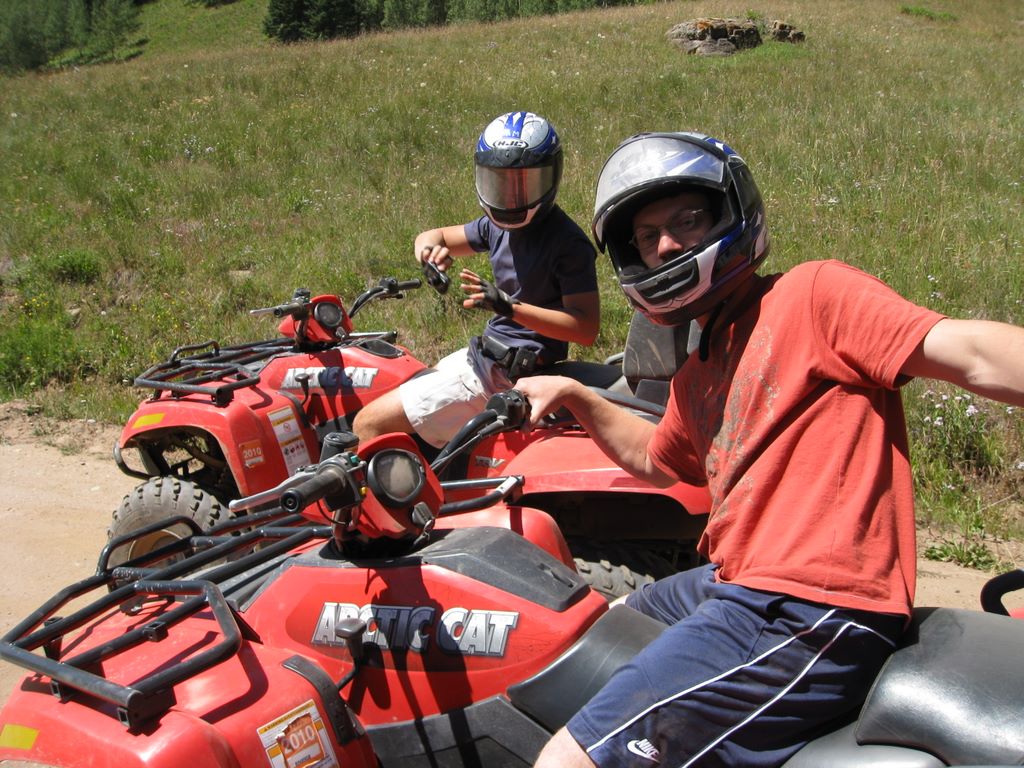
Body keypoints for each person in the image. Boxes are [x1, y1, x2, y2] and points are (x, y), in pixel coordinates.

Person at [516, 131, 1024, 767]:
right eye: (647, 236)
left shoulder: (812, 296)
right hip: (736, 582)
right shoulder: (698, 370)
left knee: (567, 760)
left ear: (730, 213)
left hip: (807, 604)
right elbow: (655, 459)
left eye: (686, 220)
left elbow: (971, 354)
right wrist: (573, 394)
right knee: (609, 620)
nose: (667, 245)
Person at [352, 110, 599, 449]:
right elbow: (433, 235)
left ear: (551, 177)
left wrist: (510, 307)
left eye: (524, 184)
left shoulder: (568, 244)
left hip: (504, 375)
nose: (511, 197)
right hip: (485, 357)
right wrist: (429, 255)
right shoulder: (494, 226)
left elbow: (585, 329)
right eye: (500, 183)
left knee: (367, 424)